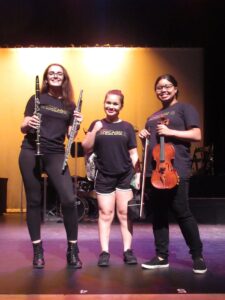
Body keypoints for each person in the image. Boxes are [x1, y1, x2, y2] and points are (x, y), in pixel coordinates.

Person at [139, 74, 207, 274]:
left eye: (168, 86)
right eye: (159, 87)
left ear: (176, 88)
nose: (163, 90)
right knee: (159, 215)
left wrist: (170, 132)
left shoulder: (185, 108)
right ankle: (161, 257)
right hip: (155, 172)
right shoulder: (152, 116)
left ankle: (197, 256)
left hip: (176, 169)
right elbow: (152, 145)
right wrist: (144, 137)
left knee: (182, 212)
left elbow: (196, 135)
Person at [19, 63, 83, 269]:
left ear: (64, 79)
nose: (55, 76)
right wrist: (30, 124)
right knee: (34, 202)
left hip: (56, 153)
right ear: (46, 78)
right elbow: (22, 125)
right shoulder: (36, 98)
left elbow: (71, 135)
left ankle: (72, 250)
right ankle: (38, 251)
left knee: (69, 199)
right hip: (31, 151)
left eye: (60, 74)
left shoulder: (69, 105)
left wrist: (77, 124)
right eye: (52, 73)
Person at [82, 90, 140, 267]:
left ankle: (127, 251)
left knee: (124, 214)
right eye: (108, 103)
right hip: (104, 176)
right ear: (104, 103)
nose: (111, 106)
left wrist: (137, 174)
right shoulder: (96, 124)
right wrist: (95, 130)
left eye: (115, 104)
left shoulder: (127, 127)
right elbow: (86, 147)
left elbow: (133, 153)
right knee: (105, 214)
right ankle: (104, 251)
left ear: (121, 106)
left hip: (124, 175)